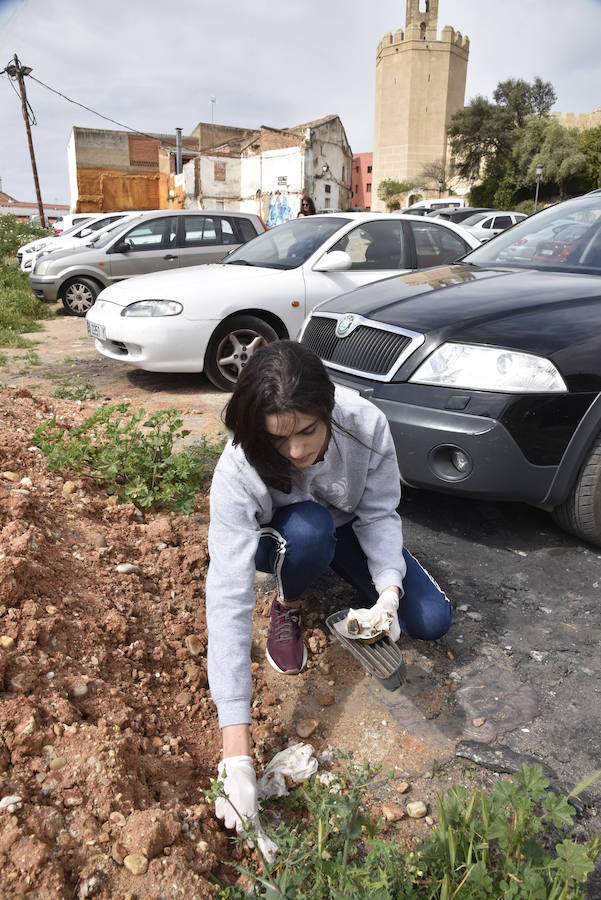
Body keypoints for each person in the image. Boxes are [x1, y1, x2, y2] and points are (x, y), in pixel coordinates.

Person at [206, 340, 451, 840]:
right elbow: (227, 596)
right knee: (311, 531)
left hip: (351, 526)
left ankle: (358, 577)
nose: (296, 451)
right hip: (288, 533)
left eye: (307, 431)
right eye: (278, 439)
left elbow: (379, 512)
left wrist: (388, 592)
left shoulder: (365, 424)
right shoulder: (239, 466)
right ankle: (289, 602)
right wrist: (236, 752)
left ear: (329, 407)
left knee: (430, 620)